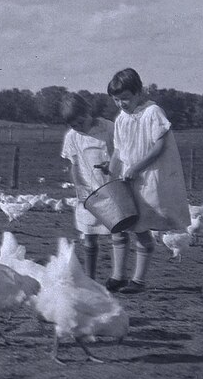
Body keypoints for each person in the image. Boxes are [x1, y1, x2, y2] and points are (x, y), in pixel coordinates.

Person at [106, 68, 191, 294]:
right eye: (116, 99)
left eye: (125, 98)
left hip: (148, 178)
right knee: (124, 223)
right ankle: (117, 276)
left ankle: (138, 281)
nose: (121, 103)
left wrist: (137, 167)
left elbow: (160, 146)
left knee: (141, 225)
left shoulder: (153, 112)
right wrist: (110, 175)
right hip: (128, 178)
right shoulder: (121, 119)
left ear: (138, 93)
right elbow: (118, 150)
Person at [60, 92, 115, 283]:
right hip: (88, 191)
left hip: (111, 187)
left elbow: (120, 153)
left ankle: (118, 276)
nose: (79, 127)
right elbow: (74, 165)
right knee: (89, 235)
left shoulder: (108, 128)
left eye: (81, 122)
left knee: (117, 234)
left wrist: (114, 167)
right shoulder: (72, 137)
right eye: (74, 125)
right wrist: (79, 188)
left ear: (89, 112)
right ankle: (90, 278)